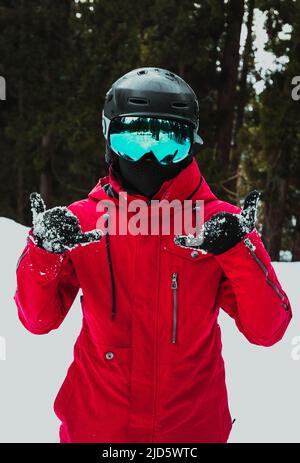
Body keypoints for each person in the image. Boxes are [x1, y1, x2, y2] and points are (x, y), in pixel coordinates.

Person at [14, 67, 292, 443]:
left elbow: (268, 329)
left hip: (191, 430)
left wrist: (239, 251)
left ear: (191, 144)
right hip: (97, 428)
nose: (149, 157)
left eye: (168, 144)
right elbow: (37, 320)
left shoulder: (219, 226)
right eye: (134, 140)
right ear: (109, 138)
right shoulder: (83, 223)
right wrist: (43, 251)